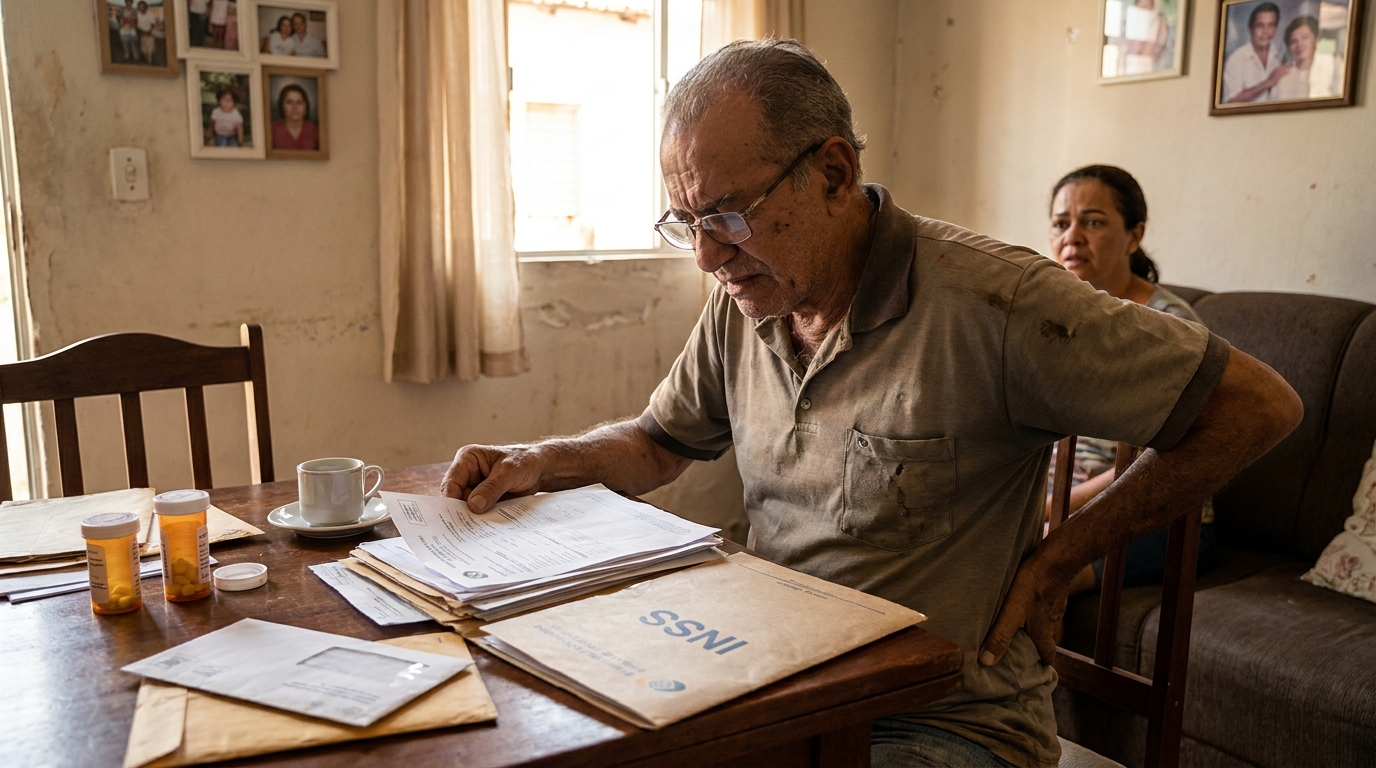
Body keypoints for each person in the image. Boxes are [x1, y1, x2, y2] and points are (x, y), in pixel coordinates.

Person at [440, 40, 1301, 767]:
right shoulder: (750, 298)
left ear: (835, 172)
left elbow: (1258, 406)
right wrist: (543, 461)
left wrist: (1060, 556)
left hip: (944, 721)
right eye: (686, 221)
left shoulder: (999, 305)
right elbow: (659, 444)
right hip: (775, 681)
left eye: (728, 216)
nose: (706, 257)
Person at [1045, 165, 1217, 595]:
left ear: (1134, 235)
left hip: (1155, 513)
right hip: (1063, 498)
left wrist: (1048, 510)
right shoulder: (1047, 310)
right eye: (1061, 224)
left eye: (1094, 222)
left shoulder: (1168, 326)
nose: (1073, 237)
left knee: (1039, 573)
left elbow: (1152, 465)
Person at [1222, 2, 1288, 103]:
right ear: (1250, 29)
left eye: (1271, 25)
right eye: (1260, 26)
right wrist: (1269, 82)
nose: (1266, 31)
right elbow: (1232, 100)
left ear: (1276, 28)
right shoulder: (1236, 59)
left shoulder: (1282, 57)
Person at [1273, 16, 1344, 100]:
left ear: (1316, 40)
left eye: (1305, 37)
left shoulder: (1331, 66)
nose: (1299, 44)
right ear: (1288, 48)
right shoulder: (1282, 76)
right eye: (1293, 41)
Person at [270, 84, 318, 151]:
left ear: (306, 106)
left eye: (299, 102)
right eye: (289, 102)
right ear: (282, 106)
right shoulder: (272, 129)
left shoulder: (315, 130)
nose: (294, 107)